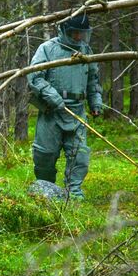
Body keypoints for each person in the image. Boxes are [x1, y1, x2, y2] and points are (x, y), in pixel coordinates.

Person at [27, 14, 103, 199]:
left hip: (77, 111)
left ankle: (73, 192)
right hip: (51, 112)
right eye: (74, 33)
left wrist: (95, 102)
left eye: (82, 33)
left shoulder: (86, 51)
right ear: (64, 31)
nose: (78, 37)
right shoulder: (47, 49)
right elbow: (34, 76)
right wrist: (52, 96)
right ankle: (45, 188)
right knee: (45, 154)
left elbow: (93, 80)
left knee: (80, 155)